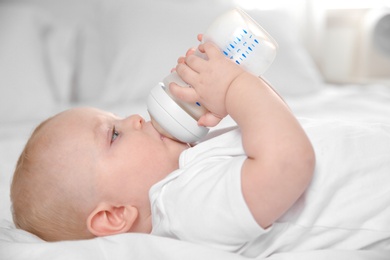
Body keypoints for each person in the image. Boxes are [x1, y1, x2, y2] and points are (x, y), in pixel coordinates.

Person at [10, 38, 315, 255]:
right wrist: (235, 87)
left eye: (118, 118)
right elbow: (288, 162)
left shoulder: (185, 170)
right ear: (114, 215)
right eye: (114, 134)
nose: (133, 118)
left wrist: (233, 97)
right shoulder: (185, 209)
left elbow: (281, 129)